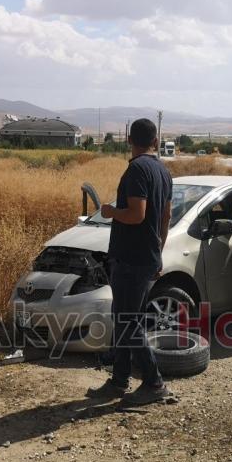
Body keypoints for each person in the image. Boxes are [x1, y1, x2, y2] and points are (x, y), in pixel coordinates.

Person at [87, 118, 172, 405]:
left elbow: (136, 214)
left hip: (131, 258)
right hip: (146, 256)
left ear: (129, 141)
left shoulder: (137, 169)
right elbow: (165, 217)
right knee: (123, 319)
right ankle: (119, 380)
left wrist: (111, 211)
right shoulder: (163, 171)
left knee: (127, 321)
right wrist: (158, 251)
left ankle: (154, 383)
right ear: (156, 141)